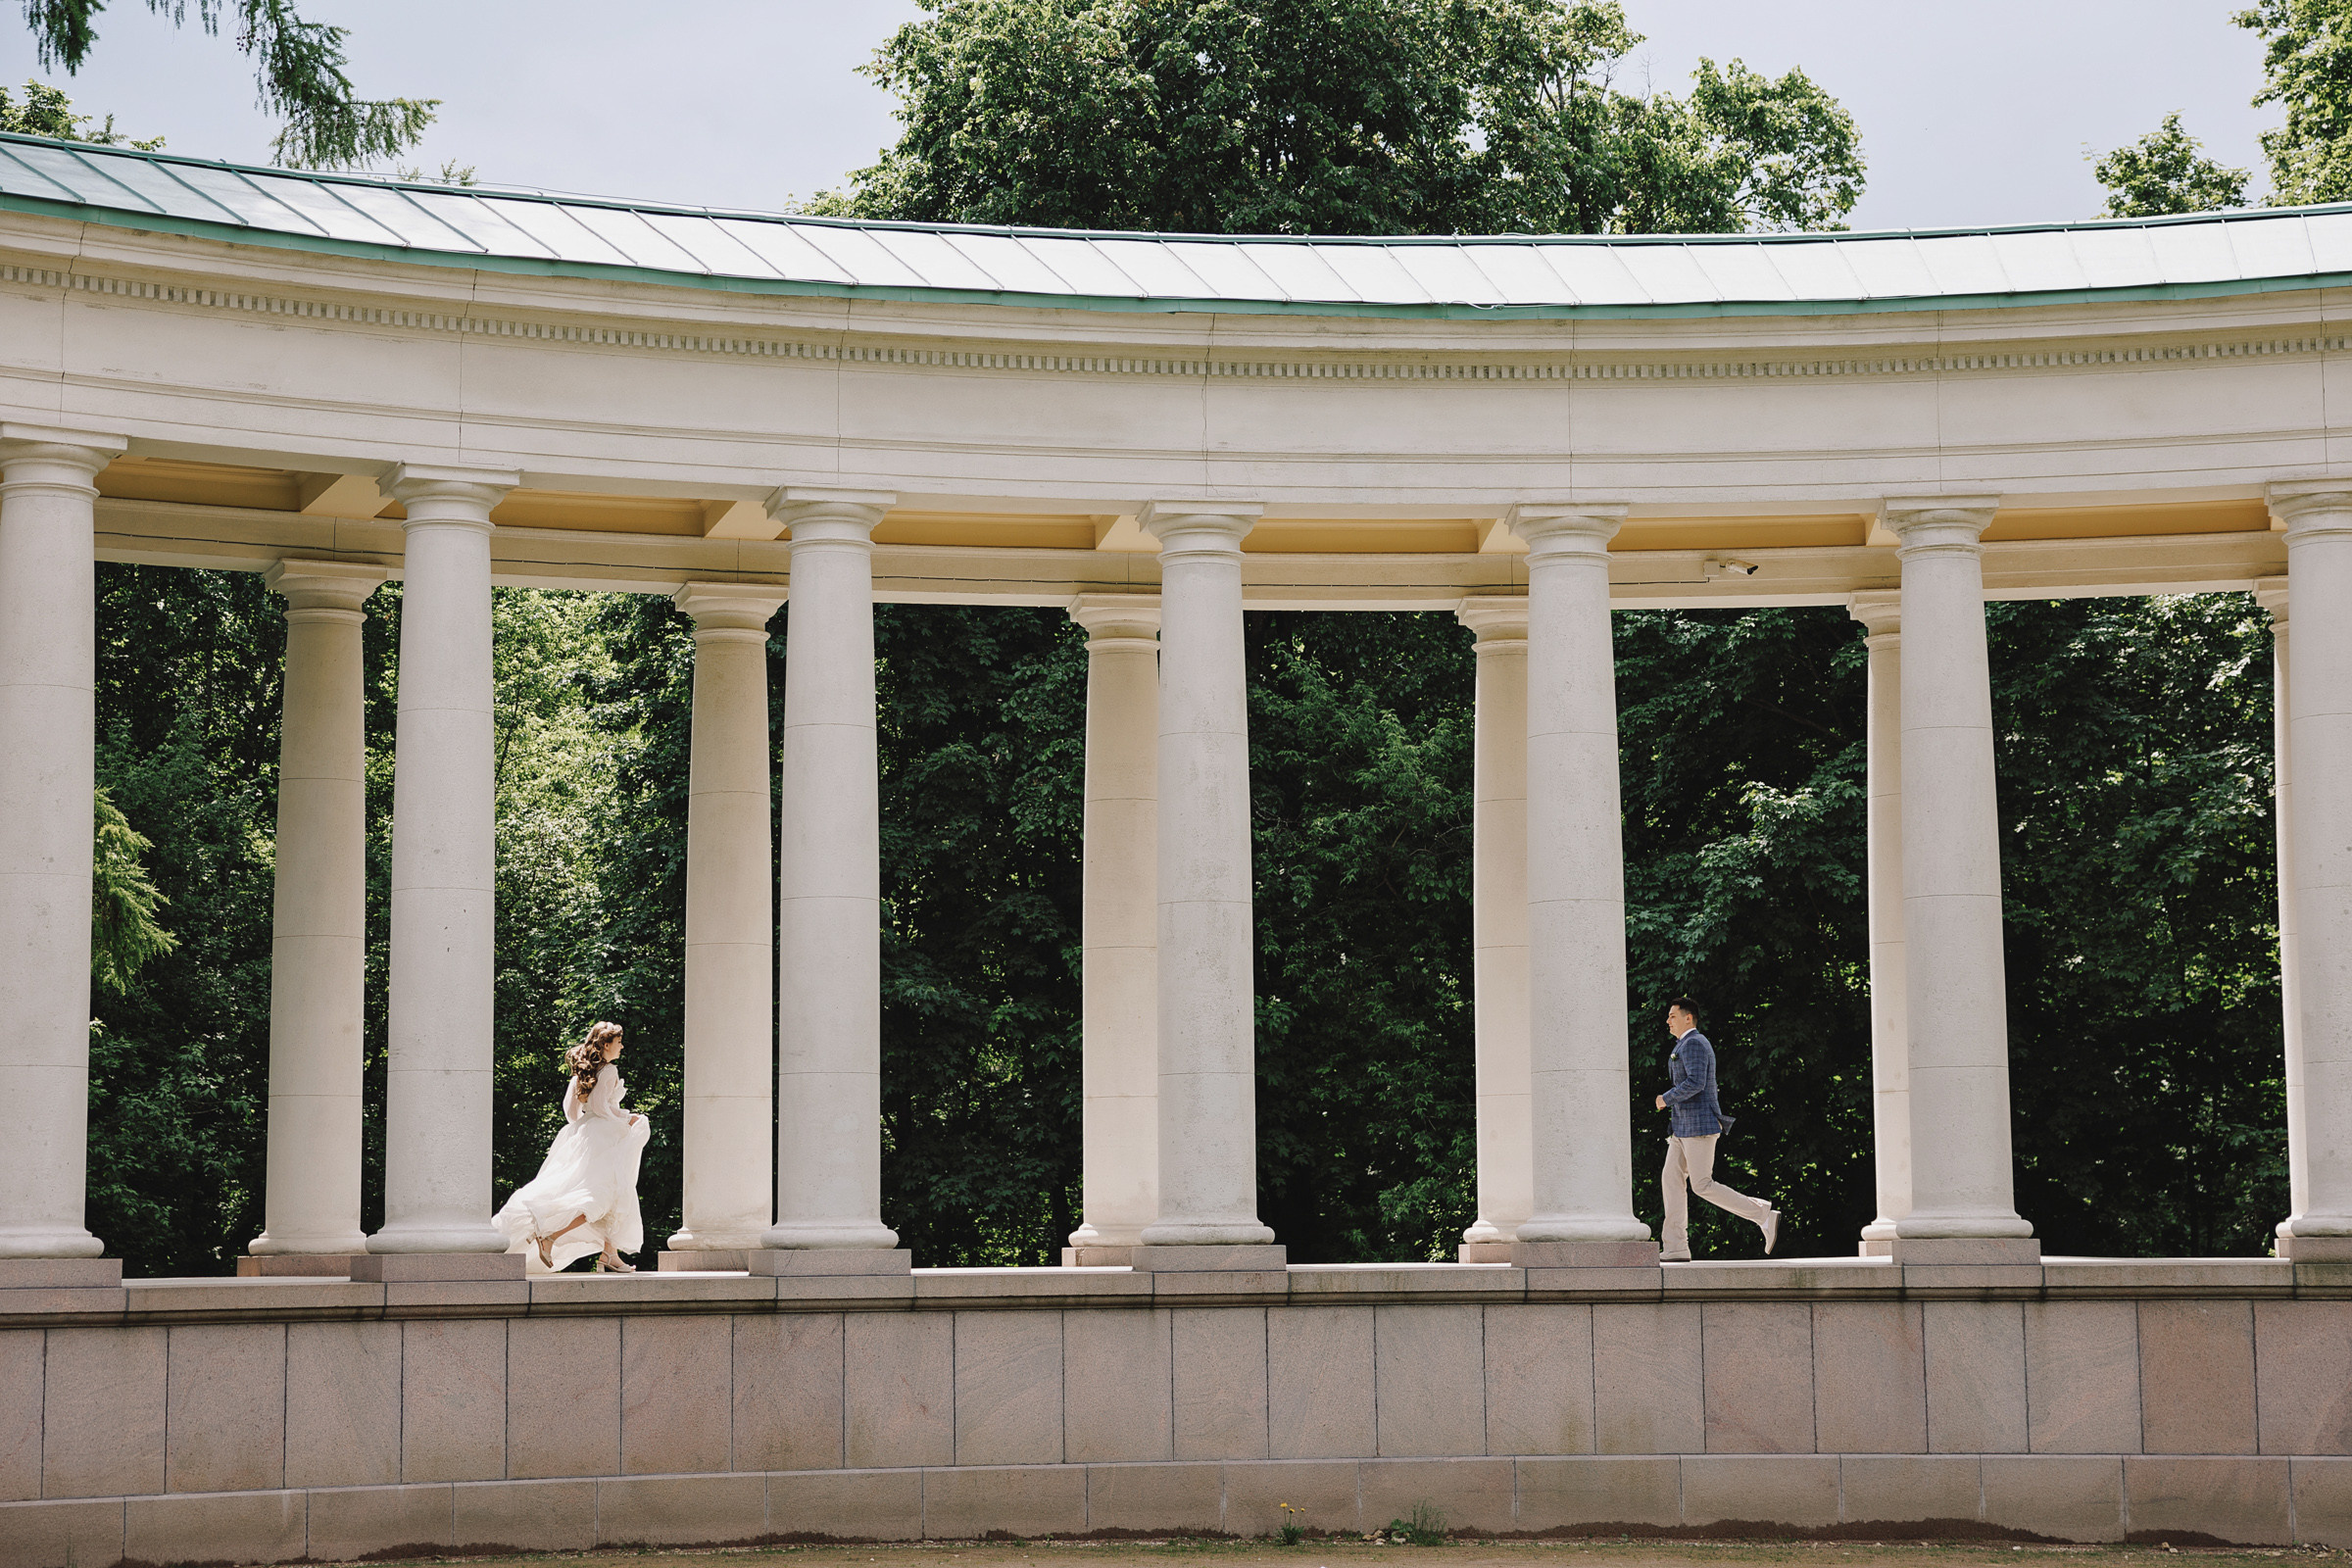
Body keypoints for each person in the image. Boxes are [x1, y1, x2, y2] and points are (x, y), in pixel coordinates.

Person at [494, 1020, 651, 1273]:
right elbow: (601, 1106)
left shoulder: (584, 1070)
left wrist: (583, 1131)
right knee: (599, 1196)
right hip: (604, 1138)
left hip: (587, 1136)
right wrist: (627, 1118)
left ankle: (609, 1254)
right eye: (618, 1042)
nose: (622, 1046)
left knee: (614, 1193)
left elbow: (571, 1110)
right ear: (606, 1044)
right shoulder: (609, 1071)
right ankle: (551, 1236)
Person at [1653, 996, 1780, 1262]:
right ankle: (1676, 1247)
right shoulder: (1685, 1044)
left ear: (1688, 1018)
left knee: (1702, 1185)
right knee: (1671, 1180)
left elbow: (1696, 1083)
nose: (1668, 1021)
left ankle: (1762, 1214)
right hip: (1681, 1129)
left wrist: (1666, 1098)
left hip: (1698, 1127)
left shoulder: (1695, 1043)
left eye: (1672, 1016)